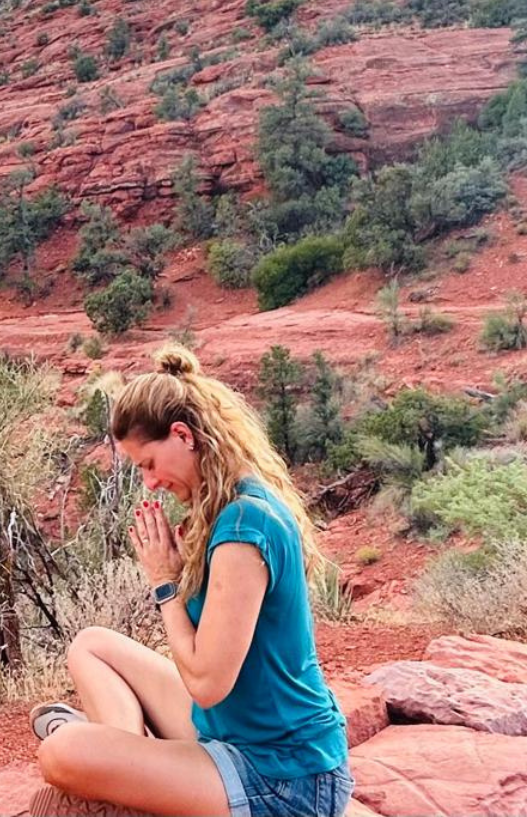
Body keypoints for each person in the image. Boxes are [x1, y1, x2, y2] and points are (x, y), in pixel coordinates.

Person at [32, 344, 354, 817]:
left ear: (183, 435)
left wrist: (165, 584)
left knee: (59, 755)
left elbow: (206, 683)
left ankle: (105, 746)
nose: (149, 482)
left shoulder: (244, 528)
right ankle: (118, 748)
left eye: (147, 464)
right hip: (234, 732)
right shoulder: (233, 502)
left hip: (282, 777)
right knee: (91, 644)